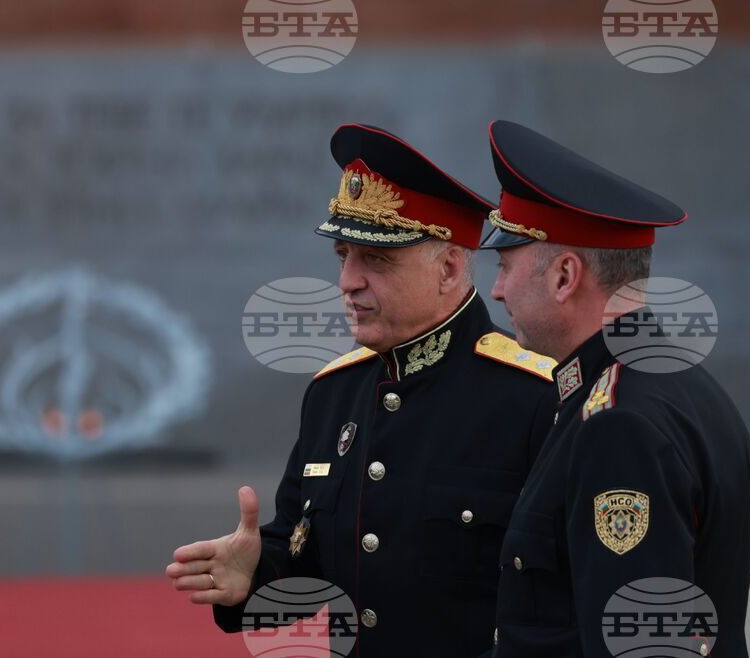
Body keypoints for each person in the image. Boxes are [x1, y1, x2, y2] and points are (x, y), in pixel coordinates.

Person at [166, 123, 557, 655]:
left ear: (446, 268)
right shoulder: (335, 393)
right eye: (343, 256)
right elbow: (309, 559)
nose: (348, 281)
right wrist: (256, 574)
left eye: (376, 259)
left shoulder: (535, 397)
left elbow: (559, 605)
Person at [479, 120, 750, 657]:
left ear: (565, 276)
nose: (495, 291)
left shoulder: (619, 426)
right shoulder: (678, 388)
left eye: (504, 264)